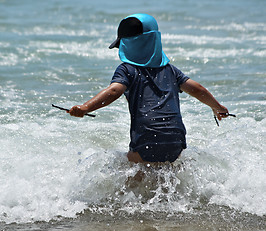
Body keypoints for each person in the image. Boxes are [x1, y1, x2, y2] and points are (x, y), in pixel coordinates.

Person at [68, 13, 229, 164]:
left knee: (130, 174)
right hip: (176, 137)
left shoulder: (127, 70)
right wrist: (218, 107)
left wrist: (86, 107)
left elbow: (113, 91)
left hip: (147, 136)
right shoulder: (171, 70)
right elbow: (198, 90)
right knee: (167, 176)